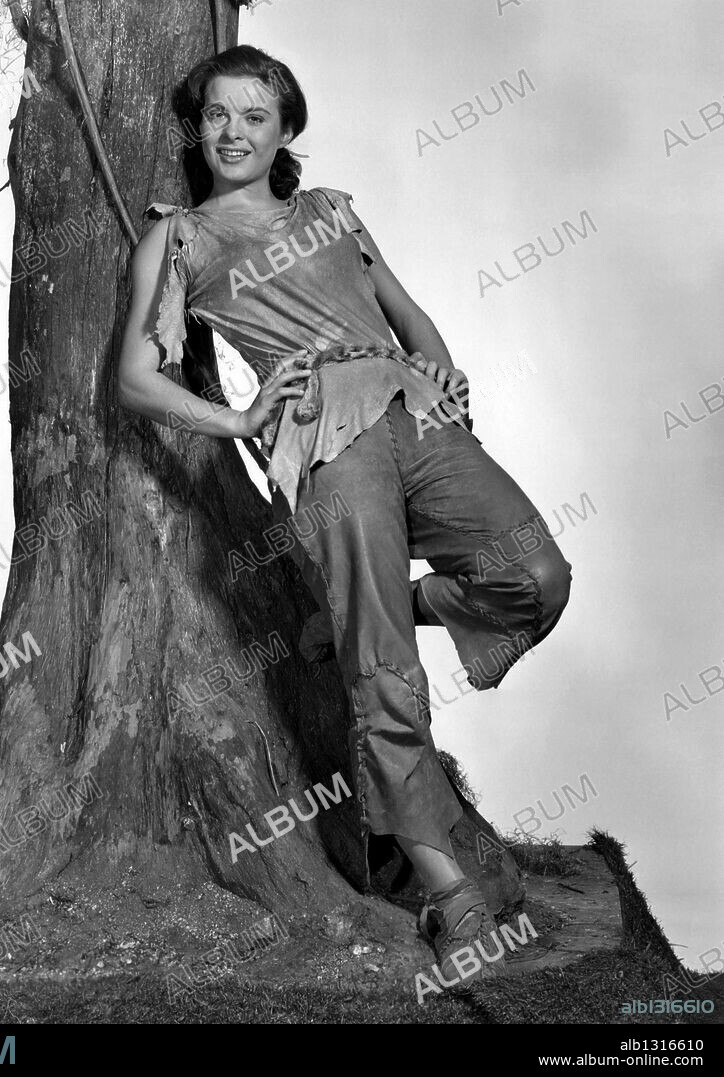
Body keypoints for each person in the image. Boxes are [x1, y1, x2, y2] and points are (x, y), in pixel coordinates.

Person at [118, 44, 572, 985]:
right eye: (216, 116)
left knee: (535, 574)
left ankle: (368, 616)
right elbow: (134, 378)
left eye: (254, 116)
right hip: (327, 440)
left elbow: (406, 310)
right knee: (387, 675)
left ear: (287, 131)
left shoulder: (331, 211)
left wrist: (443, 373)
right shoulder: (181, 238)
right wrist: (242, 416)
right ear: (196, 128)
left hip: (413, 412)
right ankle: (453, 893)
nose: (232, 133)